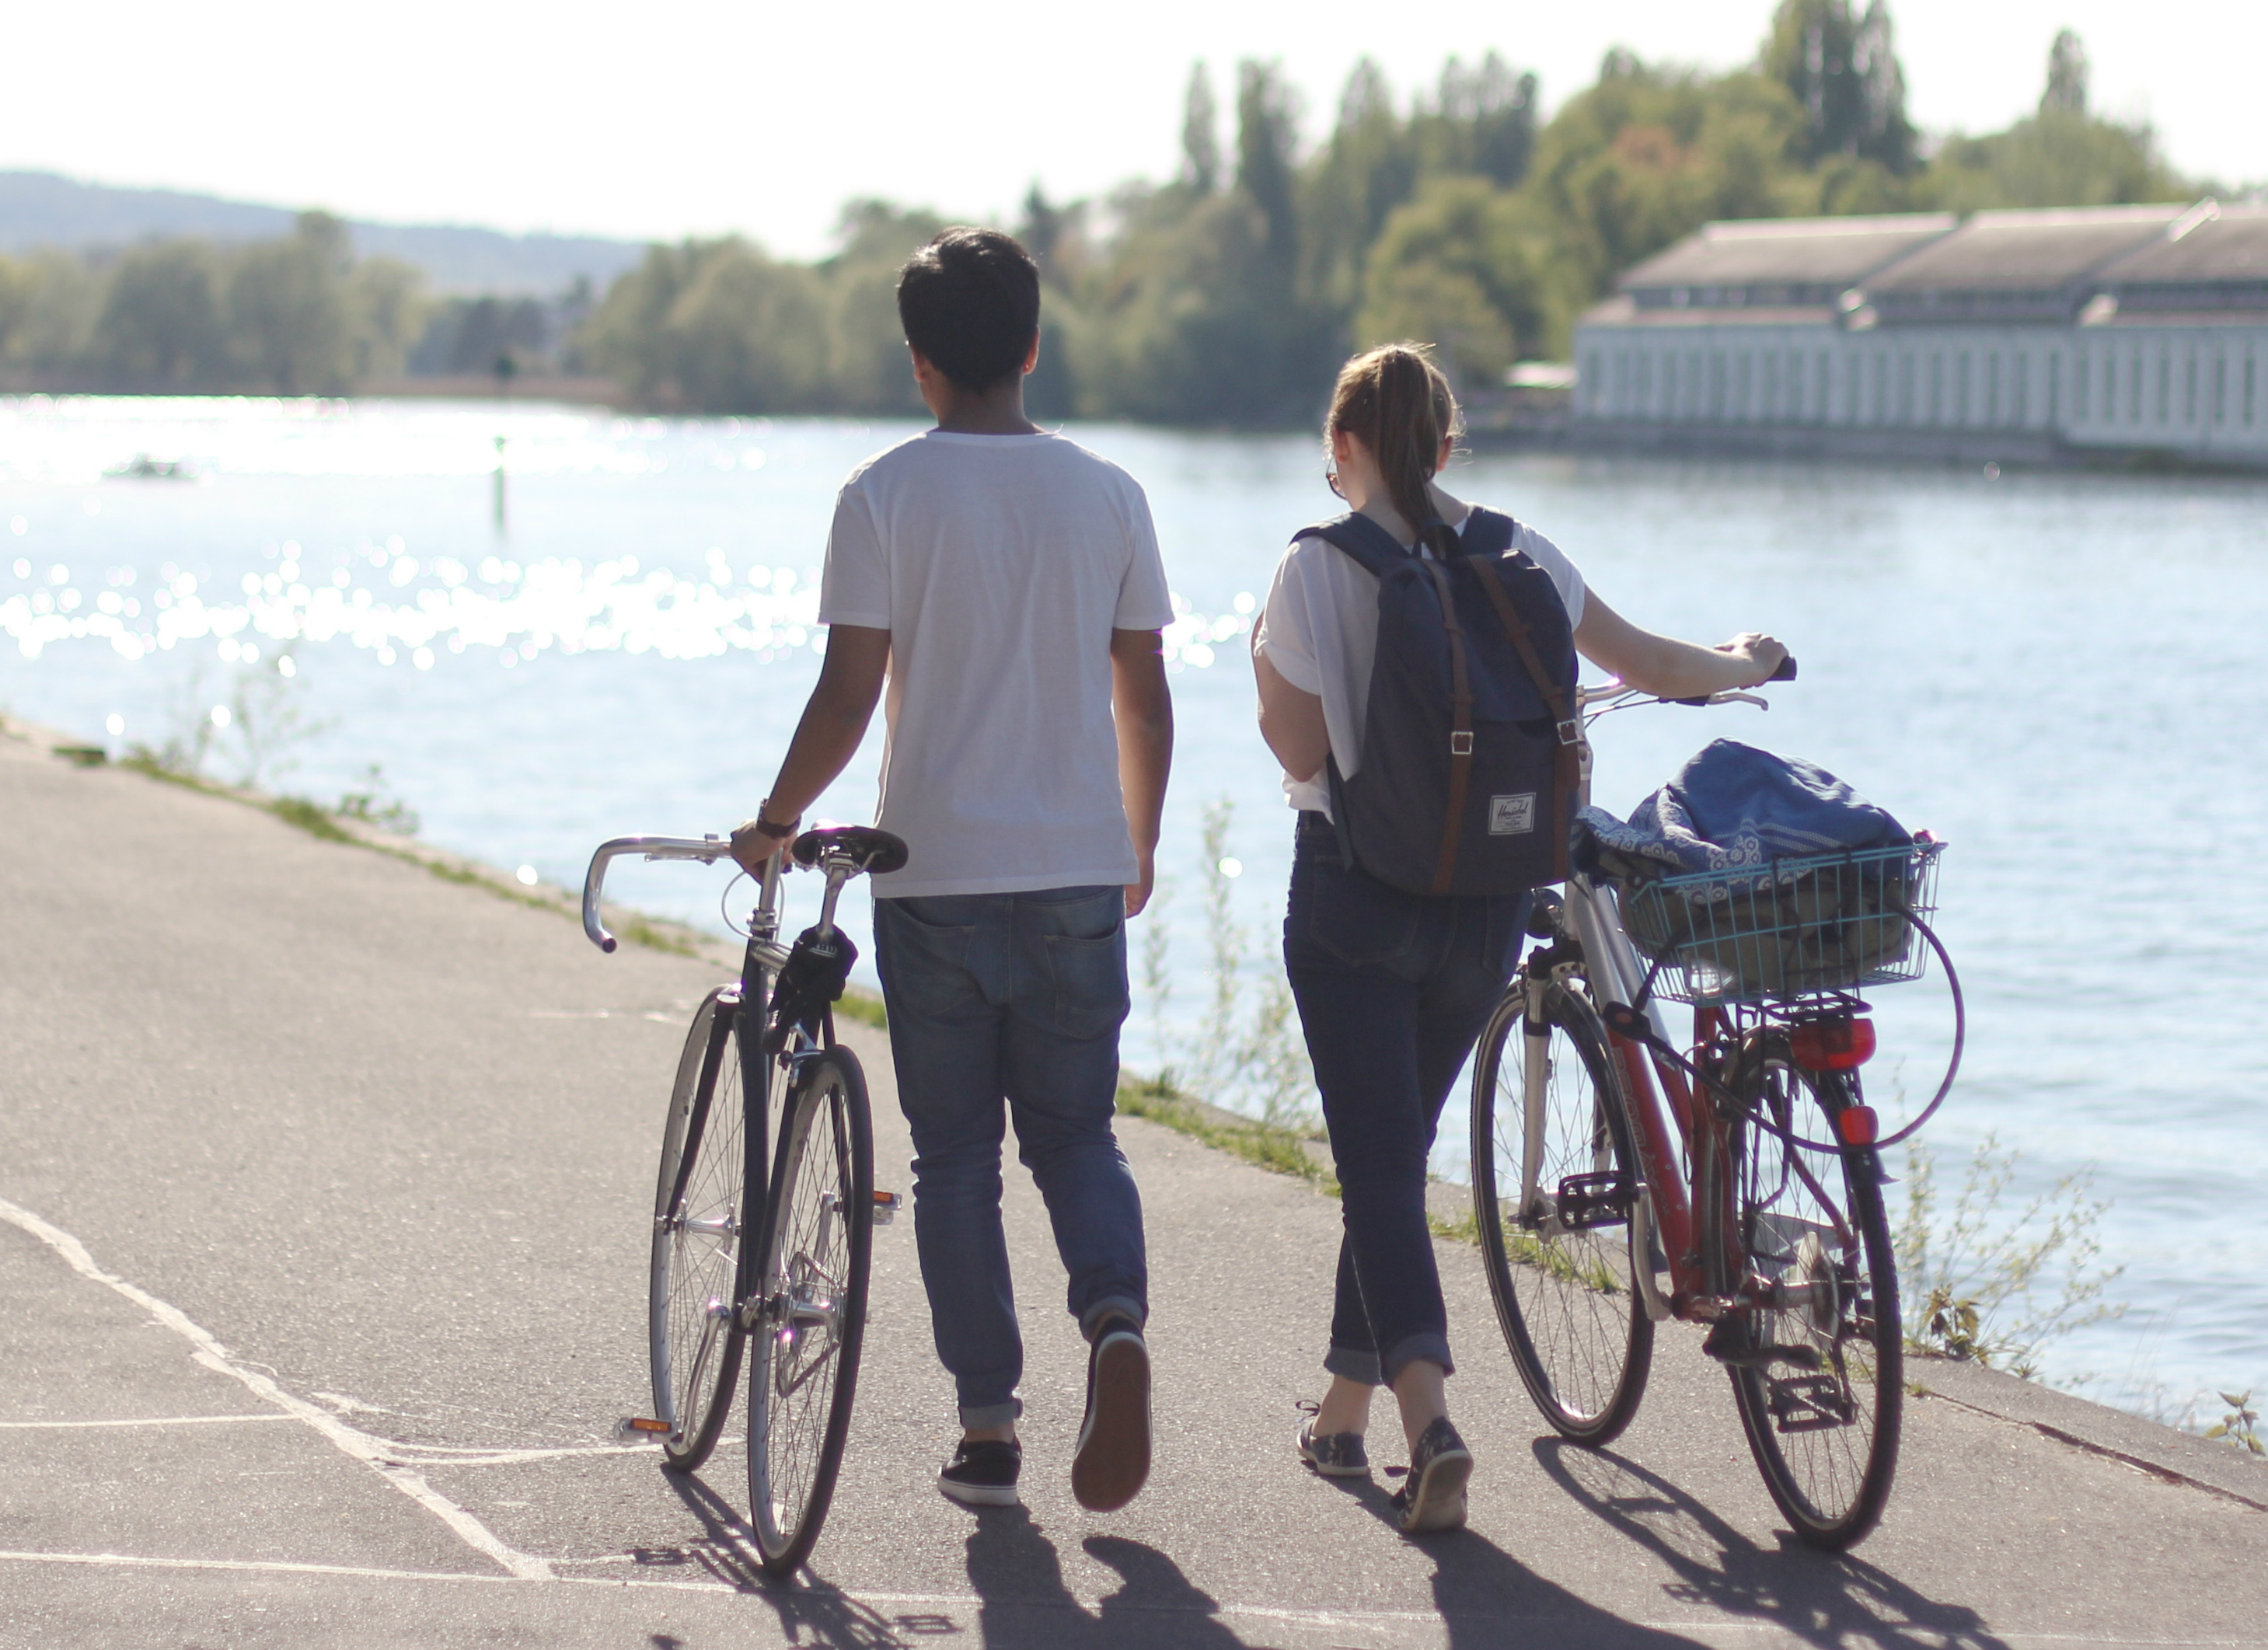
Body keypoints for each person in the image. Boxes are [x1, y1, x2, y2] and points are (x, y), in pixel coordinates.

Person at [1250, 343, 1785, 1535]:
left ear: (1341, 449)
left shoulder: (1313, 567)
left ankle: (1429, 1421)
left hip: (1354, 899)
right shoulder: (1519, 551)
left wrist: (1266, 662)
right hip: (1487, 902)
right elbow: (1647, 663)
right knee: (1390, 1154)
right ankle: (1341, 1412)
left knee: (1380, 1166)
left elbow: (1295, 754)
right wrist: (1746, 660)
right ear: (1444, 446)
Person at [731, 228, 1174, 1516]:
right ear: (1034, 348)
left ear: (920, 365)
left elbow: (850, 691)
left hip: (930, 878)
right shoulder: (1108, 495)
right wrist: (1134, 839)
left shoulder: (881, 494)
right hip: (1077, 871)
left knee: (954, 1162)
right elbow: (1141, 690)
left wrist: (776, 813)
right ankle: (1115, 1324)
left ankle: (988, 1429)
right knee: (1078, 1134)